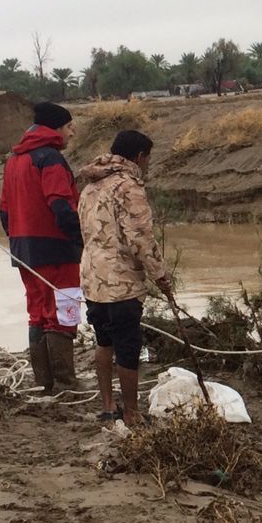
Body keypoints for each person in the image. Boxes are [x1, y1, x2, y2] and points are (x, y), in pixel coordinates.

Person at [78, 130, 171, 426]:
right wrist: (161, 276)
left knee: (103, 341)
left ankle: (108, 406)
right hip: (120, 282)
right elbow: (141, 238)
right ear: (139, 156)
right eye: (148, 159)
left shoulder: (90, 186)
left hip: (93, 276)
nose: (147, 166)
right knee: (128, 346)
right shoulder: (128, 186)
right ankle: (131, 412)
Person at [0, 102, 83, 395]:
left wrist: (19, 241)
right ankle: (65, 383)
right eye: (70, 126)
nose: (73, 133)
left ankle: (44, 382)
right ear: (56, 128)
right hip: (56, 248)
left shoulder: (14, 160)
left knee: (37, 311)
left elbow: (4, 213)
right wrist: (80, 240)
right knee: (63, 311)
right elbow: (61, 205)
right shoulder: (50, 159)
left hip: (23, 249)